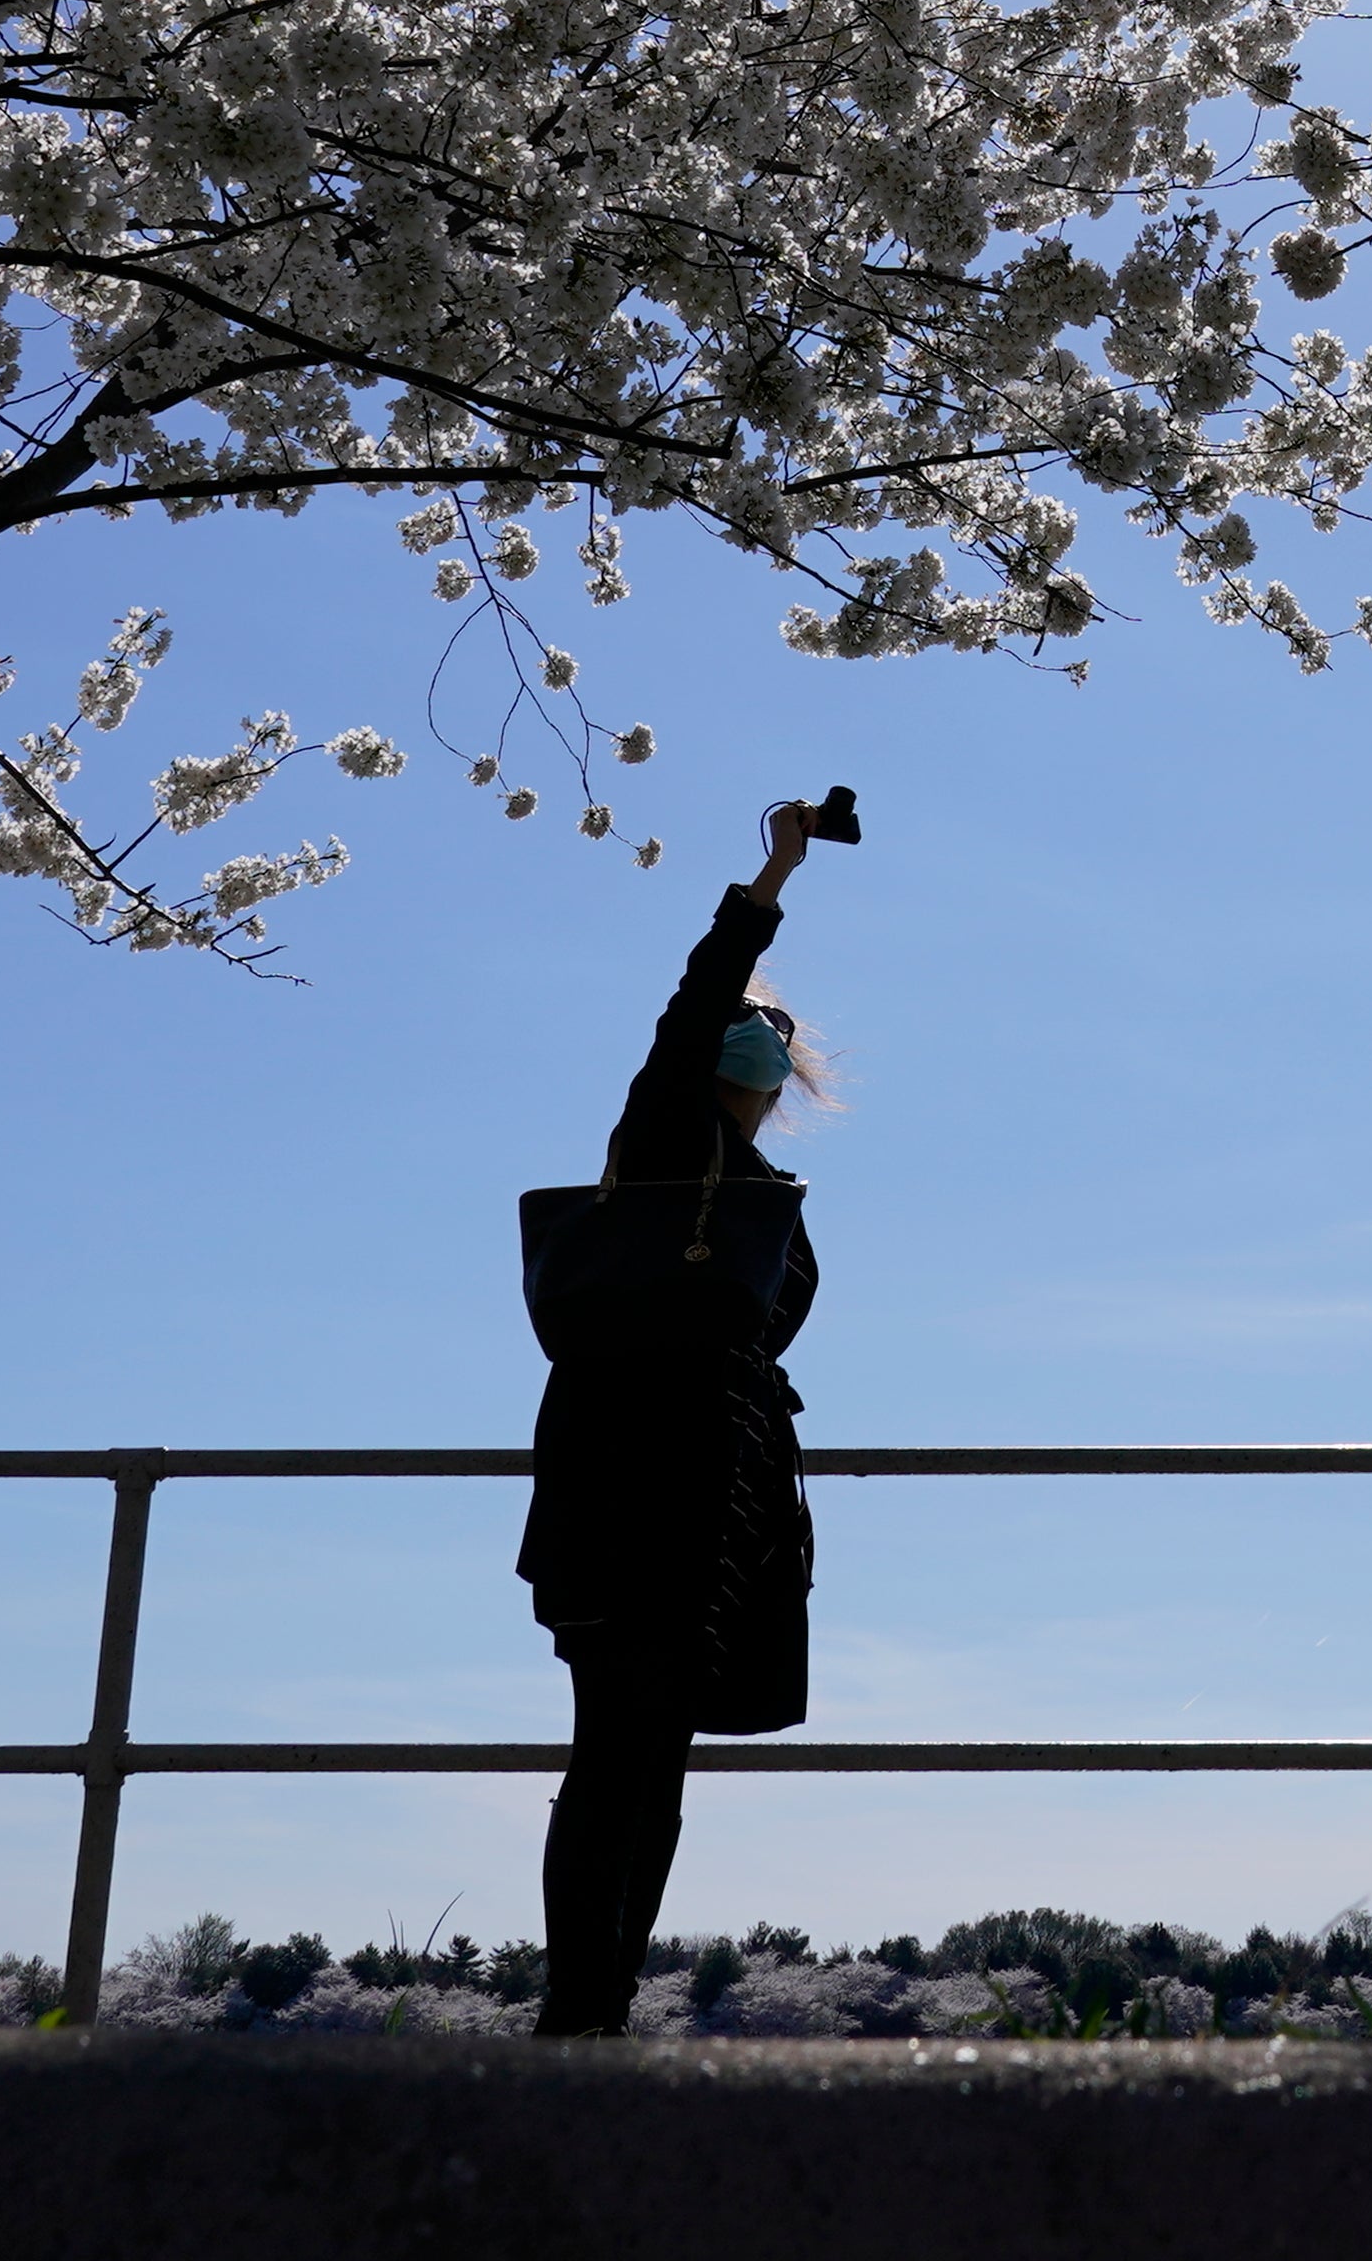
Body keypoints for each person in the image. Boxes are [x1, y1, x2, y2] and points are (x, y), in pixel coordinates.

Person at [512, 788, 847, 2033]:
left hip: (719, 1492)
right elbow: (691, 1008)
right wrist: (771, 882)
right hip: (632, 1478)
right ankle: (578, 2012)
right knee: (620, 1745)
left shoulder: (757, 1181)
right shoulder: (664, 1134)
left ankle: (600, 2008)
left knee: (655, 1758)